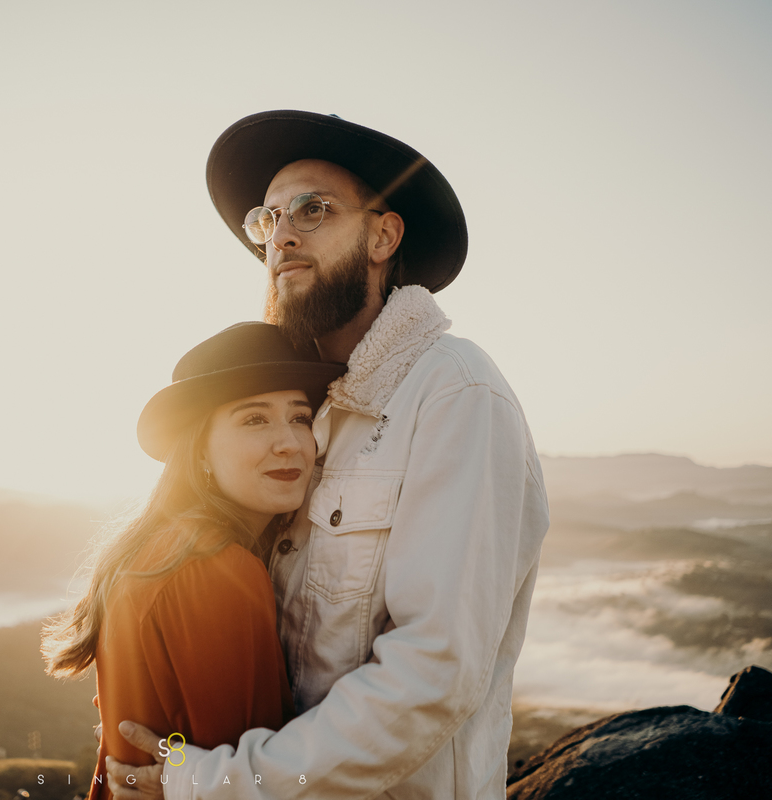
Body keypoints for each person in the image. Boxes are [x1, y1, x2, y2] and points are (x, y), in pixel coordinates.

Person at [105, 110, 550, 799]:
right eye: (268, 219)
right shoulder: (305, 409)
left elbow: (432, 673)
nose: (281, 237)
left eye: (313, 210)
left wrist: (216, 785)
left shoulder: (456, 393)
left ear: (382, 235)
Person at [41, 321, 346, 799]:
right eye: (254, 419)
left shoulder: (159, 549)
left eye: (301, 418)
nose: (289, 441)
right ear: (199, 450)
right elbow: (249, 776)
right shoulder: (216, 569)